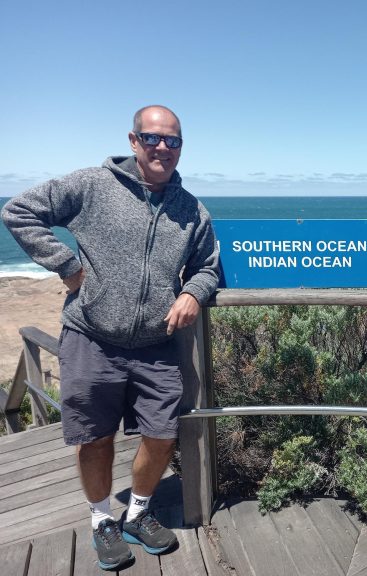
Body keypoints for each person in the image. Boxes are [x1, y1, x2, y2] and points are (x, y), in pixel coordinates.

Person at [1, 105, 220, 570]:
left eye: (173, 140)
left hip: (155, 345)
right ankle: (102, 518)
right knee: (95, 439)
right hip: (91, 338)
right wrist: (68, 265)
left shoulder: (190, 210)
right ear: (134, 141)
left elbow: (208, 266)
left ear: (182, 148)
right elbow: (19, 211)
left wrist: (193, 293)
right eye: (153, 138)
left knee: (163, 436)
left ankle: (138, 512)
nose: (163, 147)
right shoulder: (92, 185)